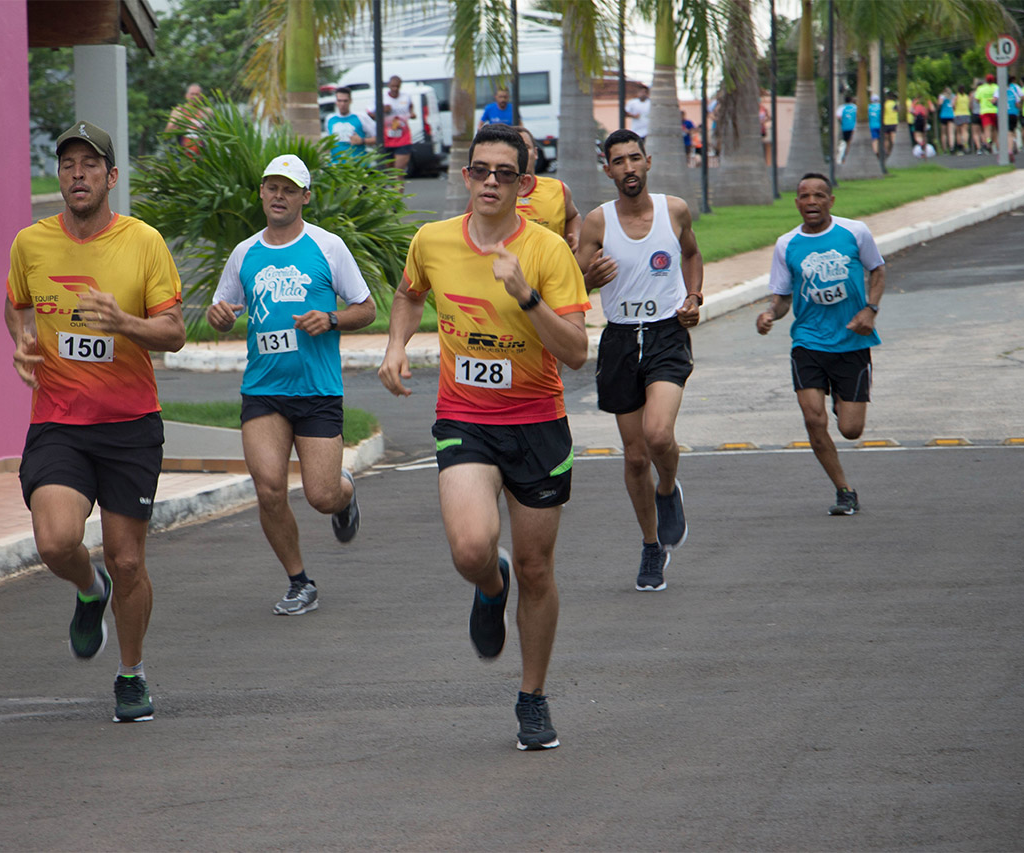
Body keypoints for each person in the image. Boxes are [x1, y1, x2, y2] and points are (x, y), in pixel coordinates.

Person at [378, 124, 590, 750]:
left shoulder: (548, 252)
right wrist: (396, 346)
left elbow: (576, 352)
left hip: (537, 425)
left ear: (526, 184)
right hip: (466, 418)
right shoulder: (433, 240)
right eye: (480, 170)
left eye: (504, 173)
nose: (490, 181)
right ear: (465, 176)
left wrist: (525, 296)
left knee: (538, 568)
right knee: (473, 551)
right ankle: (488, 586)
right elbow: (408, 294)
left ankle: (532, 698)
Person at [5, 120, 187, 723]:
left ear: (111, 178)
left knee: (128, 559)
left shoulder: (143, 243)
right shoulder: (31, 244)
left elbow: (176, 333)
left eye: (90, 165)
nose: (77, 174)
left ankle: (130, 674)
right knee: (56, 541)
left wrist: (126, 324)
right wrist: (23, 340)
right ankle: (90, 589)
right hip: (58, 420)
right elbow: (15, 304)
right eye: (67, 165)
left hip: (130, 424)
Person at [206, 155, 376, 616]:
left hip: (317, 390)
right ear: (261, 193)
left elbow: (366, 307)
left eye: (289, 189)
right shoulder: (244, 253)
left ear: (305, 196)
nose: (279, 196)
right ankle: (300, 582)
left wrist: (333, 318)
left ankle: (345, 493)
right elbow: (224, 309)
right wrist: (219, 316)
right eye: (271, 187)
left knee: (321, 496)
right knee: (269, 490)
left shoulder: (327, 246)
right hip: (263, 390)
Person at [575, 129, 703, 593]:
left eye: (635, 159)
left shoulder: (675, 211)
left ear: (648, 162)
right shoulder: (596, 223)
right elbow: (571, 287)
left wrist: (692, 295)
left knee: (657, 434)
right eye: (618, 161)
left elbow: (690, 253)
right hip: (621, 340)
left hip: (668, 334)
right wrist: (589, 276)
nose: (628, 168)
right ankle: (651, 545)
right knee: (633, 458)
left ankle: (667, 487)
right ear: (607, 170)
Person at [756, 173, 886, 516]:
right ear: (797, 202)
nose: (811, 201)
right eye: (804, 196)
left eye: (818, 195)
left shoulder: (854, 233)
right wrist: (770, 314)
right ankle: (844, 491)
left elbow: (878, 271)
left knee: (851, 429)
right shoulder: (787, 244)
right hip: (809, 342)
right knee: (813, 421)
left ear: (831, 201)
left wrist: (870, 310)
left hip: (851, 341)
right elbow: (782, 298)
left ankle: (840, 401)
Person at [512, 125, 582, 250]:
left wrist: (575, 237)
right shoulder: (492, 192)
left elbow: (573, 216)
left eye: (525, 147)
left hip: (552, 267)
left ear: (536, 153)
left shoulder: (558, 189)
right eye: (514, 148)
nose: (520, 153)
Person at [324, 87, 376, 161]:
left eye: (345, 101)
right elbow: (328, 142)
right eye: (340, 101)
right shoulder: (330, 119)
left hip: (357, 164)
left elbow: (378, 138)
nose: (342, 104)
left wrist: (362, 141)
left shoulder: (361, 117)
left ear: (350, 101)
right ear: (336, 102)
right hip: (336, 166)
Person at [380, 75, 415, 175]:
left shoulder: (406, 97)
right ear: (388, 86)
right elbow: (372, 114)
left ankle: (398, 190)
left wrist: (412, 113)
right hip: (387, 139)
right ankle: (391, 191)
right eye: (393, 86)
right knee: (389, 173)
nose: (395, 89)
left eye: (397, 86)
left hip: (403, 138)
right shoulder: (383, 98)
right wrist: (383, 110)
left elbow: (411, 107)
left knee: (398, 172)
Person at [165, 82, 208, 155]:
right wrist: (178, 123)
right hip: (183, 157)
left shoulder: (206, 112)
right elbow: (167, 134)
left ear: (201, 97)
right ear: (186, 95)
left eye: (197, 94)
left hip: (203, 157)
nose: (194, 97)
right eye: (192, 94)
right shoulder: (178, 111)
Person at [976, 74, 999, 153]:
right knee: (995, 129)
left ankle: (988, 141)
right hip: (995, 111)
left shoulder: (981, 88)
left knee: (987, 129)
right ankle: (996, 145)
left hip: (985, 111)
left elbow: (977, 100)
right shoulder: (996, 87)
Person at [836, 94, 857, 164]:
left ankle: (846, 157)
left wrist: (843, 122)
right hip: (853, 127)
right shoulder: (855, 107)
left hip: (845, 128)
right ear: (851, 100)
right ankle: (848, 157)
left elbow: (838, 116)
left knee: (847, 142)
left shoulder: (842, 107)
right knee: (850, 143)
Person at [952, 85, 972, 154]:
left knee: (958, 132)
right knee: (965, 131)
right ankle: (965, 143)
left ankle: (960, 147)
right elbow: (969, 106)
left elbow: (953, 105)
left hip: (958, 114)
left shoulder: (956, 97)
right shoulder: (967, 97)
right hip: (966, 114)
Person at [937, 85, 955, 156]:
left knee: (944, 133)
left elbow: (940, 103)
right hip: (951, 115)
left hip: (943, 115)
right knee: (951, 132)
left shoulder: (942, 96)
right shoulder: (953, 96)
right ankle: (951, 147)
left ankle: (944, 149)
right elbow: (953, 105)